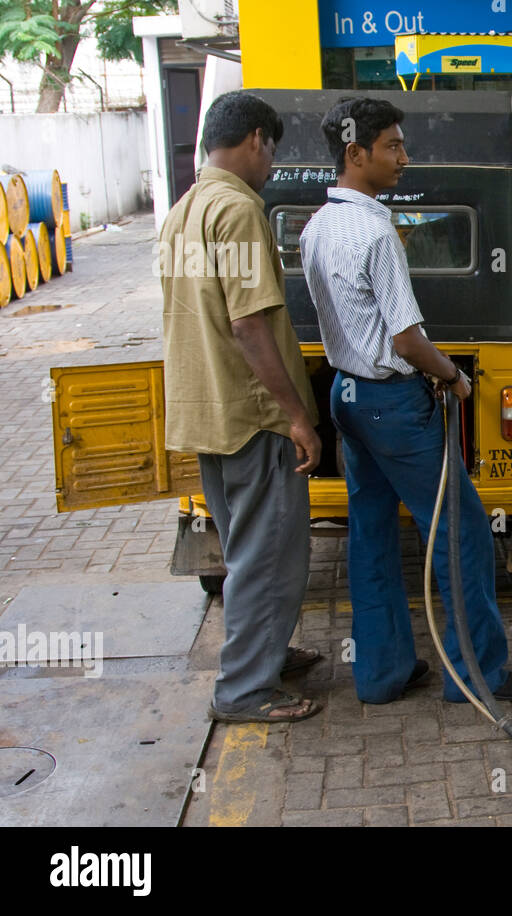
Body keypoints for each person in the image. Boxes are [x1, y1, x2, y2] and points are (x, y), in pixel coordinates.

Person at [299, 95, 512, 706]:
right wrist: (455, 379)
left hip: (347, 398)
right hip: (392, 406)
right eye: (393, 147)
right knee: (462, 533)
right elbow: (407, 340)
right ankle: (475, 675)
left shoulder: (316, 227)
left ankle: (381, 673)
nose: (404, 158)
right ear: (356, 155)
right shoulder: (375, 231)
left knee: (372, 533)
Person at [160, 91, 323, 723]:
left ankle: (266, 655)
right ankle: (245, 690)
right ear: (256, 140)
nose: (272, 163)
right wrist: (296, 415)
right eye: (273, 150)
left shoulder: (184, 210)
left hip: (207, 411)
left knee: (244, 549)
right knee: (272, 553)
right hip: (254, 416)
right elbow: (250, 323)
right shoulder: (238, 210)